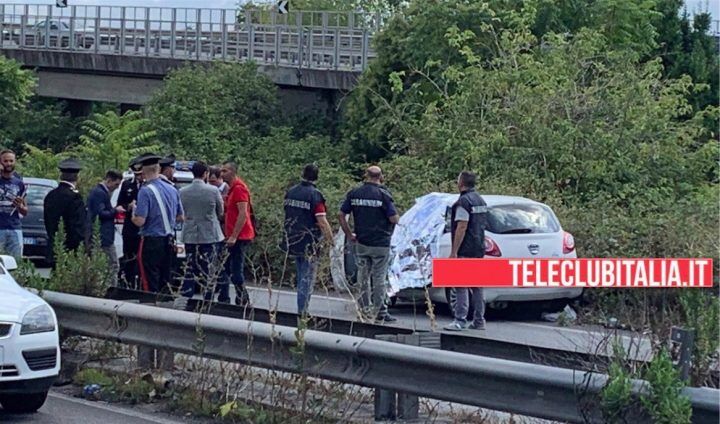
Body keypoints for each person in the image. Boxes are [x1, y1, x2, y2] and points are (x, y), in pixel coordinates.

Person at [338, 166, 400, 323]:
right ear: (381, 176)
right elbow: (393, 218)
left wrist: (348, 234)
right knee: (379, 278)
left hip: (362, 242)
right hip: (381, 243)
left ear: (366, 175)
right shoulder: (384, 194)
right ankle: (380, 311)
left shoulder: (355, 193)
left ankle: (364, 309)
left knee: (363, 277)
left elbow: (341, 214)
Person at [281, 164, 334, 316]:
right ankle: (302, 312)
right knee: (307, 278)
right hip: (309, 242)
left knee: (301, 274)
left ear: (302, 174)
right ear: (317, 177)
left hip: (292, 238)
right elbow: (322, 221)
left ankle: (302, 308)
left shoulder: (291, 192)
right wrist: (331, 240)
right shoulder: (315, 195)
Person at [131, 153, 184, 293]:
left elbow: (140, 221)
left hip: (151, 240)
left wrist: (133, 212)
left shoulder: (145, 191)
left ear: (143, 171)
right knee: (165, 279)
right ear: (158, 169)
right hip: (169, 240)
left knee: (149, 278)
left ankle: (150, 307)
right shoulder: (172, 189)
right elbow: (180, 217)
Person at [444, 171, 488, 331]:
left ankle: (460, 320)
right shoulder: (480, 200)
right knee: (477, 287)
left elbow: (462, 226)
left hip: (466, 249)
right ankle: (479, 320)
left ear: (461, 182)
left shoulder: (463, 202)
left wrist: (454, 251)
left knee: (461, 286)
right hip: (478, 249)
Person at [179, 161, 226, 301]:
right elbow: (221, 211)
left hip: (190, 233)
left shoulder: (182, 191)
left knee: (190, 265)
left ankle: (187, 294)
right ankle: (208, 297)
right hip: (209, 233)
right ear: (205, 174)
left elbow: (181, 211)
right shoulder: (213, 191)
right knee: (208, 266)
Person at [220, 161, 254, 306]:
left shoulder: (239, 189)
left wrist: (234, 235)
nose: (222, 174)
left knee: (236, 270)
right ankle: (237, 297)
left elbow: (243, 214)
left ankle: (243, 299)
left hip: (240, 236)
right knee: (227, 267)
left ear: (233, 172)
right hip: (232, 235)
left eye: (225, 171)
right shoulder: (231, 189)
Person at [44, 158, 87, 265]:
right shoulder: (75, 197)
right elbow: (78, 225)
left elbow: (48, 222)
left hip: (54, 246)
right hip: (70, 249)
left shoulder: (51, 195)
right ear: (77, 176)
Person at [87, 170, 124, 286]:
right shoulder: (100, 193)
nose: (117, 188)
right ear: (109, 181)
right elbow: (101, 213)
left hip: (102, 235)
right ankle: (110, 289)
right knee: (112, 264)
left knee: (102, 264)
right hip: (103, 236)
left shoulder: (100, 192)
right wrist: (115, 210)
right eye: (116, 184)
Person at [117, 158, 144, 288]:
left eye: (141, 174)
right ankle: (128, 281)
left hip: (144, 227)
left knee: (142, 259)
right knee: (128, 256)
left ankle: (140, 283)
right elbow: (120, 203)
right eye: (136, 174)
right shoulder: (127, 185)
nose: (139, 177)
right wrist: (129, 206)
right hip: (130, 227)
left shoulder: (148, 186)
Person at [0, 150, 27, 259]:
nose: (8, 163)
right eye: (5, 161)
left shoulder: (19, 184)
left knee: (15, 263)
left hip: (14, 228)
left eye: (11, 161)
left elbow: (25, 211)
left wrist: (19, 206)